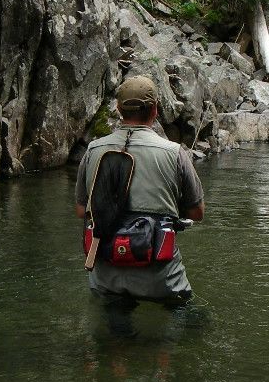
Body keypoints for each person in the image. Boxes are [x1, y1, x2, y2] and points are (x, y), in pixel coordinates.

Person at [75, 75, 205, 305]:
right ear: (155, 109)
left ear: (118, 108)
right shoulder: (174, 152)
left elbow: (81, 210)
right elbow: (197, 213)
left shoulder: (93, 150)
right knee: (188, 317)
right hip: (159, 274)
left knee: (115, 329)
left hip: (106, 272)